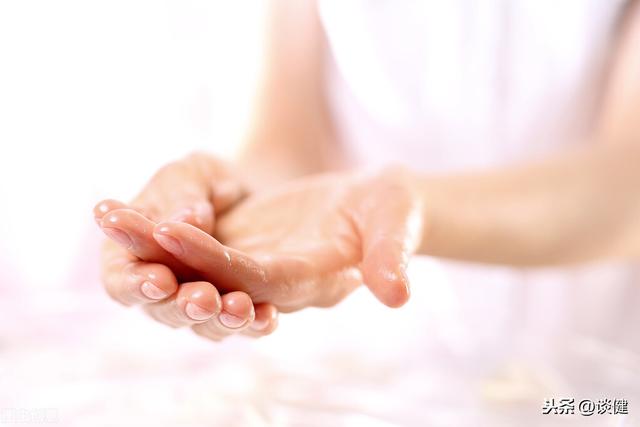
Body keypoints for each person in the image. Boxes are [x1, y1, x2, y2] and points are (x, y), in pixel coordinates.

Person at [94, 0, 640, 342]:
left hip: (592, 353)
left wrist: (407, 208)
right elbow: (284, 136)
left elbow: (628, 181)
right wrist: (233, 210)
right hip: (372, 351)